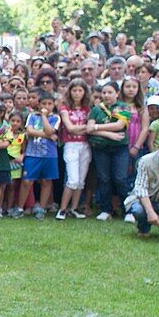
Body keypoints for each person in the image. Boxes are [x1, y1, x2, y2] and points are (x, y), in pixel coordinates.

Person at [13, 89, 60, 219]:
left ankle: (41, 208)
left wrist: (44, 117)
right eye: (43, 104)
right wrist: (49, 136)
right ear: (38, 104)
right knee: (27, 181)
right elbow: (30, 132)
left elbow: (51, 130)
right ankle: (20, 208)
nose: (46, 106)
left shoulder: (55, 117)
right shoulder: (32, 116)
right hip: (33, 154)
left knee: (46, 181)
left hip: (49, 155)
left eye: (49, 104)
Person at [124, 132, 159, 237]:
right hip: (149, 200)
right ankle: (143, 229)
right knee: (138, 210)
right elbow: (140, 188)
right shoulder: (146, 161)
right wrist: (150, 212)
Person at [87, 82, 130, 220]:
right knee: (104, 179)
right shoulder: (96, 109)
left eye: (110, 92)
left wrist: (97, 128)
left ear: (117, 93)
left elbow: (120, 125)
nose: (106, 95)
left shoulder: (123, 106)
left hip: (120, 148)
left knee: (120, 178)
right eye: (104, 93)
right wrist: (109, 134)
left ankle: (128, 210)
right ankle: (106, 210)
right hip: (101, 149)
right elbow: (88, 129)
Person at [57, 78, 92, 220]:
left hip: (85, 145)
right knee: (72, 179)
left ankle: (74, 208)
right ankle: (62, 209)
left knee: (81, 180)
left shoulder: (88, 109)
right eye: (74, 90)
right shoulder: (65, 108)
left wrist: (82, 129)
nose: (77, 93)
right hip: (71, 145)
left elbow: (90, 128)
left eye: (80, 90)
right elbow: (69, 128)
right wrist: (85, 128)